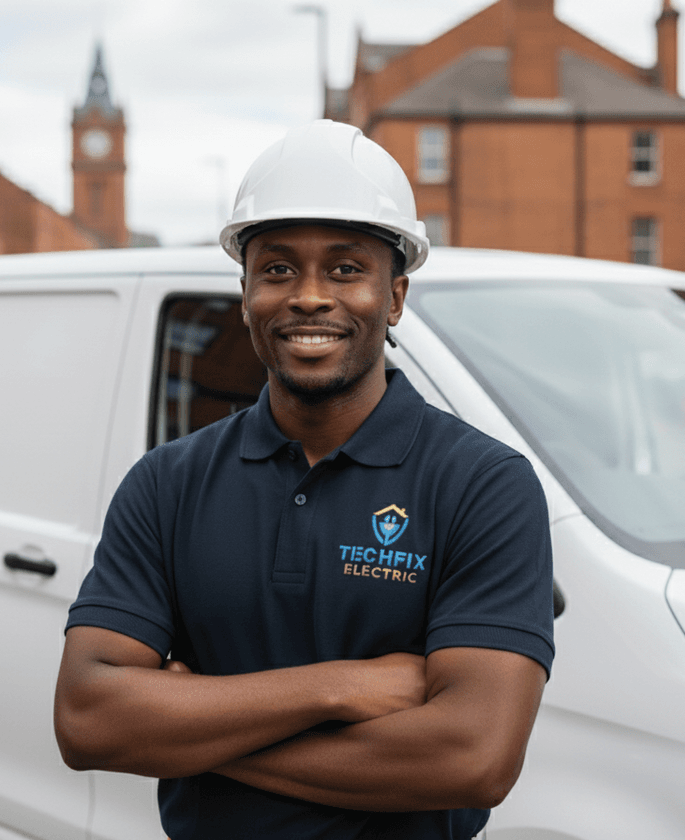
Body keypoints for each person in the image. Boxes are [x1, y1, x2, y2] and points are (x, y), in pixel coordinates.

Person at [54, 119, 554, 840]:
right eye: (278, 269)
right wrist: (342, 686)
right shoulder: (167, 483)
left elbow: (472, 757)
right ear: (246, 293)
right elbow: (89, 721)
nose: (310, 296)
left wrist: (194, 732)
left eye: (347, 269)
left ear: (395, 298)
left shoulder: (483, 486)